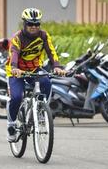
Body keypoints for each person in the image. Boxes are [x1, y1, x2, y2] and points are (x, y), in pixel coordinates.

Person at [5, 8, 66, 142]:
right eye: (30, 24)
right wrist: (15, 68)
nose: (34, 27)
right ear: (24, 24)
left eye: (37, 24)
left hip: (34, 69)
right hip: (16, 70)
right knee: (16, 97)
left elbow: (51, 52)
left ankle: (41, 111)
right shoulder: (17, 38)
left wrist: (57, 66)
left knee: (47, 83)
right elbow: (13, 54)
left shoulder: (44, 36)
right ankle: (11, 124)